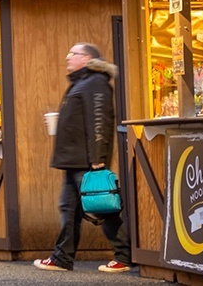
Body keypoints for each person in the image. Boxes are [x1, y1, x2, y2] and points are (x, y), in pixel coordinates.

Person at [34, 43, 132, 273]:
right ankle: (61, 258)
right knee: (68, 210)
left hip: (87, 161)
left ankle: (125, 257)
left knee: (101, 208)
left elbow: (100, 120)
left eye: (73, 54)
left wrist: (98, 158)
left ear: (87, 59)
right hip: (74, 161)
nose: (68, 57)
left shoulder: (96, 83)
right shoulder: (82, 83)